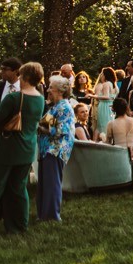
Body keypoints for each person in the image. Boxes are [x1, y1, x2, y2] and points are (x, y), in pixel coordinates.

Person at [0, 62, 46, 232]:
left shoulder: (14, 98)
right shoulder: (40, 99)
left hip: (8, 148)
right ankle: (18, 225)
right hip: (28, 148)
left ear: (24, 77)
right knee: (18, 188)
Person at [37, 75, 76, 221]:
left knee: (52, 184)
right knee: (45, 184)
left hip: (55, 150)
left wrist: (40, 128)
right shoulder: (55, 107)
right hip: (47, 150)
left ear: (60, 91)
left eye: (51, 88)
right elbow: (48, 125)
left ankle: (52, 216)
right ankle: (43, 214)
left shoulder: (64, 107)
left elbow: (61, 130)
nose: (48, 90)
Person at [92, 67, 117, 139]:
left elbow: (106, 96)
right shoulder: (114, 85)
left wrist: (93, 96)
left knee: (102, 126)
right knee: (109, 124)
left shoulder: (106, 84)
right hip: (111, 107)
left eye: (102, 74)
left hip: (104, 106)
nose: (101, 76)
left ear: (106, 75)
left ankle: (102, 141)